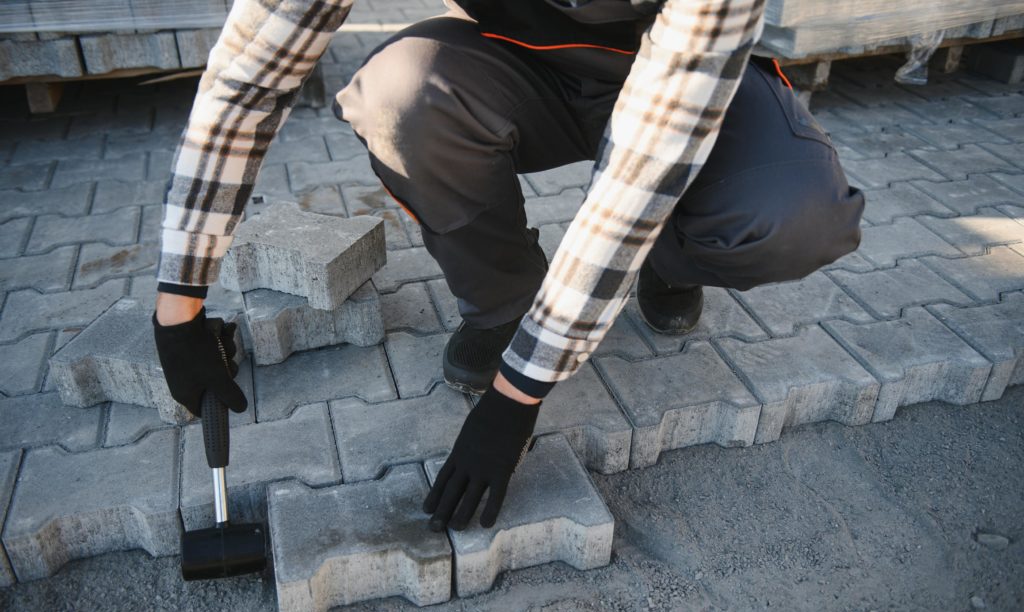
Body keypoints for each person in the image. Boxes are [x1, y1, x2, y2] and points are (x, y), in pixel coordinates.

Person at [153, 0, 864, 532]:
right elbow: (251, 76)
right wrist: (178, 305)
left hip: (692, 83)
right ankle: (503, 306)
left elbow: (648, 157)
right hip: (532, 65)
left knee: (793, 216)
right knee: (401, 94)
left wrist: (518, 395)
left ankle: (673, 257)